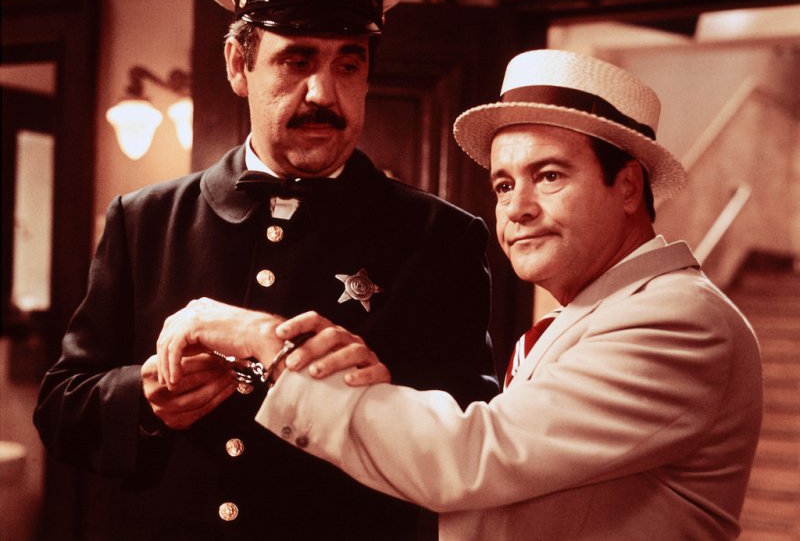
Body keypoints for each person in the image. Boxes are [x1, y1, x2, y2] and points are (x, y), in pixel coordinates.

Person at [158, 49, 764, 540]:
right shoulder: (595, 314)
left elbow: (473, 455)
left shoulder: (677, 317)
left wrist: (270, 343)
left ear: (628, 186)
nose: (518, 209)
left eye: (549, 175)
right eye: (503, 185)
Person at [33, 0, 498, 540]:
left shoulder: (442, 238)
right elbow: (61, 409)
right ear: (238, 65)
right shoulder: (143, 219)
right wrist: (142, 400)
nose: (323, 93)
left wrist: (376, 393)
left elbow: (467, 446)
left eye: (348, 64)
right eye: (296, 60)